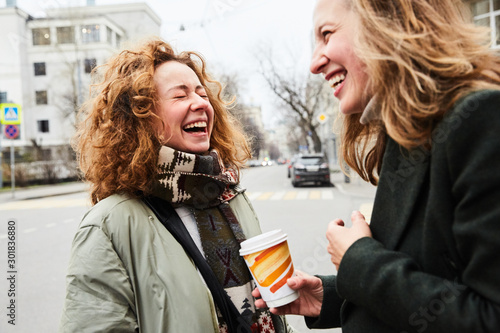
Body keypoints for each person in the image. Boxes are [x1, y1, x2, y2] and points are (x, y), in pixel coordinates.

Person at [254, 0, 500, 332]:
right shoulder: (408, 134)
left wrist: (359, 260)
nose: (314, 63)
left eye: (327, 34)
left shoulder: (480, 120)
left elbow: (488, 316)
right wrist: (329, 297)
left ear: (386, 21)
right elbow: (427, 276)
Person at [59, 37, 295, 333]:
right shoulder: (108, 227)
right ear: (141, 117)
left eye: (202, 93)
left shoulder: (229, 196)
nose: (200, 103)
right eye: (181, 96)